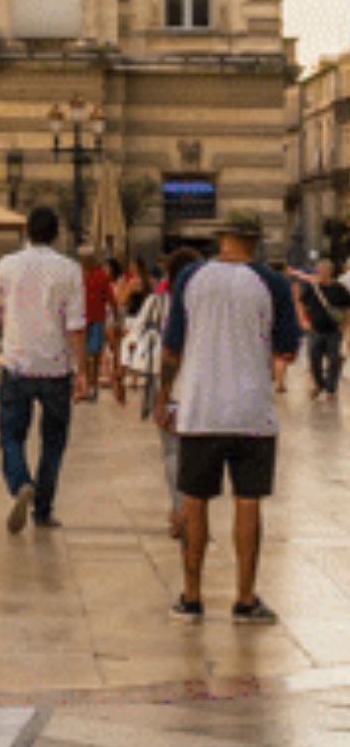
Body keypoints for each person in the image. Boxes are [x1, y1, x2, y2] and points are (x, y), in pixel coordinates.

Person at [161, 210, 297, 624]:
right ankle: (244, 598)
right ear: (255, 241)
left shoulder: (190, 279)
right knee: (248, 500)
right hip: (252, 410)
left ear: (221, 237)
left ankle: (191, 596)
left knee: (195, 500)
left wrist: (165, 395)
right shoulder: (272, 283)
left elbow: (171, 349)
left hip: (200, 407)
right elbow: (287, 349)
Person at [0, 204, 87, 537]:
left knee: (11, 434)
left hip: (17, 366)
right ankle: (43, 510)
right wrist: (81, 371)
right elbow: (76, 326)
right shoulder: (69, 270)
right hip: (55, 369)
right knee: (53, 442)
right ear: (56, 235)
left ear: (26, 232)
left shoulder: (8, 266)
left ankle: (21, 482)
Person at [123, 253, 186, 537]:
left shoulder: (157, 303)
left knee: (172, 452)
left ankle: (180, 509)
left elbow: (134, 338)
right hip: (202, 391)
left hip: (166, 385)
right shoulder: (207, 306)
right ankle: (185, 510)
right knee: (193, 456)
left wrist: (119, 372)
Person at [288, 258, 346, 399]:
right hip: (315, 330)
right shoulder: (312, 289)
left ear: (331, 272)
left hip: (334, 330)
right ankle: (319, 384)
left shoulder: (339, 289)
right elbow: (301, 303)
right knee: (314, 360)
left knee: (334, 361)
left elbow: (347, 308)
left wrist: (345, 327)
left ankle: (331, 389)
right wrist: (302, 320)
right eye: (320, 271)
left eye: (325, 271)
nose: (322, 273)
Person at [80, 248, 120, 402]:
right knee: (85, 354)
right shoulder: (81, 276)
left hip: (96, 319)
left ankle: (92, 386)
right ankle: (86, 385)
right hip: (84, 320)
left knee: (93, 354)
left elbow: (110, 298)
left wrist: (115, 318)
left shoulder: (101, 276)